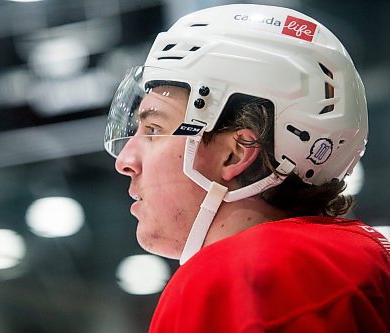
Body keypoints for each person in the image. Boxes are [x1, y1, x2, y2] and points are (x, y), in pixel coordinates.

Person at [104, 4, 389, 332]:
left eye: (154, 129)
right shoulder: (359, 261)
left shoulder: (237, 277)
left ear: (237, 153)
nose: (125, 161)